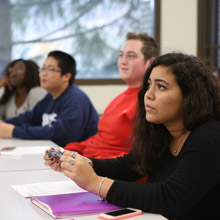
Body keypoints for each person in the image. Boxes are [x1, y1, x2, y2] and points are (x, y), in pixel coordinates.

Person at [44, 53, 220, 219]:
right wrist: (78, 163)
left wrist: (95, 183)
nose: (148, 94)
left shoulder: (210, 136)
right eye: (149, 85)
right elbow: (127, 167)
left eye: (161, 87)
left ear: (190, 96)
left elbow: (170, 197)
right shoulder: (162, 131)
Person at [64, 32, 159, 158]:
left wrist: (90, 165)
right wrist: (69, 150)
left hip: (104, 171)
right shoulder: (119, 98)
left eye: (131, 56)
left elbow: (140, 159)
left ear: (150, 62)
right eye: (121, 55)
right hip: (88, 163)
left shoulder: (149, 101)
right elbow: (100, 140)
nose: (123, 61)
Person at [0, 50, 99, 147]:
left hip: (83, 157)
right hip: (57, 155)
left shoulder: (76, 99)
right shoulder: (50, 97)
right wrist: (5, 125)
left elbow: (62, 135)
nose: (43, 73)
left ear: (66, 76)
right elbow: (29, 118)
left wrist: (14, 131)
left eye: (50, 69)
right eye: (43, 68)